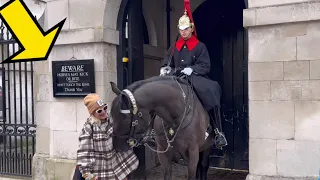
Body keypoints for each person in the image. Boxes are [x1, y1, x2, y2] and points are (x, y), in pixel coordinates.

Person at [160, 0, 227, 149]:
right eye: (181, 29)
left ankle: (217, 131)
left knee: (210, 90)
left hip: (194, 77)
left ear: (191, 29)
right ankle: (155, 131)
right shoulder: (174, 47)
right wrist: (165, 69)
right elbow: (167, 63)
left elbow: (205, 66)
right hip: (176, 77)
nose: (183, 32)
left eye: (186, 29)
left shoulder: (199, 46)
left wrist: (193, 69)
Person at [76, 93, 139, 180]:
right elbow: (85, 152)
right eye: (99, 111)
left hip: (118, 166)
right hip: (101, 171)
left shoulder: (112, 118)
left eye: (105, 107)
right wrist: (88, 174)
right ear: (92, 113)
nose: (103, 112)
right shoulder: (89, 128)